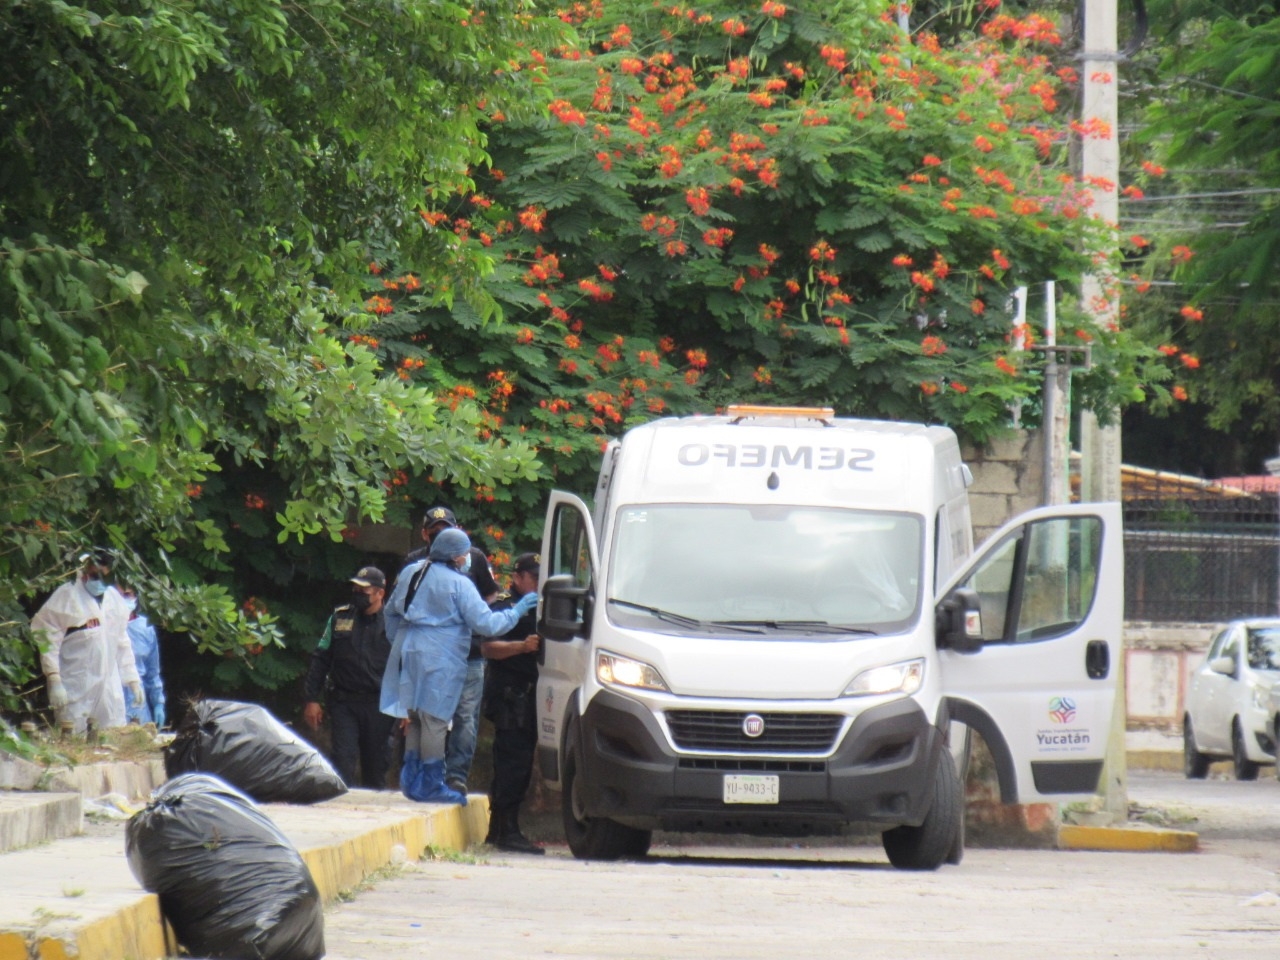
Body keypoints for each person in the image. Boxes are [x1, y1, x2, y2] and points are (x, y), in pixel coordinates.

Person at [381, 528, 538, 805]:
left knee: (416, 716)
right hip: (440, 656)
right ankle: (431, 783)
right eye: (465, 553)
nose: (468, 558)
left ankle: (412, 780)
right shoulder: (459, 583)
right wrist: (518, 610)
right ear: (455, 555)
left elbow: (390, 610)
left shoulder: (412, 572)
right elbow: (488, 624)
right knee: (435, 719)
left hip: (410, 651)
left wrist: (399, 641)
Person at [405, 505, 499, 796]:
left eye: (446, 530)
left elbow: (491, 594)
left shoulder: (474, 558)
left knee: (465, 718)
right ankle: (424, 777)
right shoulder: (414, 563)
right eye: (434, 532)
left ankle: (456, 777)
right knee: (426, 718)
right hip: (429, 655)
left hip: (468, 655)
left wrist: (474, 618)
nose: (440, 536)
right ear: (424, 534)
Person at [302, 566, 395, 789]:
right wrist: (311, 698)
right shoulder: (340, 617)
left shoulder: (394, 623)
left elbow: (407, 666)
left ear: (380, 593)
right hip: (344, 702)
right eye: (355, 588)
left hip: (380, 705)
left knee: (376, 768)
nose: (357, 593)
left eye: (364, 590)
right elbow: (321, 657)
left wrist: (408, 708)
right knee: (343, 761)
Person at [30, 548, 141, 733]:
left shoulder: (114, 599)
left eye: (104, 576)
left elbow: (121, 641)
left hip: (108, 687)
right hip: (76, 685)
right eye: (94, 575)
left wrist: (132, 679)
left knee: (111, 740)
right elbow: (44, 633)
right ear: (85, 571)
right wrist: (54, 677)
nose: (98, 581)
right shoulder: (67, 595)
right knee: (73, 740)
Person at [481, 552, 544, 854]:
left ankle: (499, 829)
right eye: (533, 577)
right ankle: (507, 830)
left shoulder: (543, 607)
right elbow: (488, 647)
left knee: (518, 763)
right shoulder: (506, 605)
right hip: (510, 695)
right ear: (517, 577)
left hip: (531, 694)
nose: (538, 583)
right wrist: (521, 647)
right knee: (512, 763)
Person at [119, 587, 166, 728]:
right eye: (118, 595)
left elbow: (152, 673)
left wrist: (158, 703)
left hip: (137, 700)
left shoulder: (145, 627)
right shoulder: (104, 625)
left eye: (127, 594)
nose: (122, 599)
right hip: (111, 696)